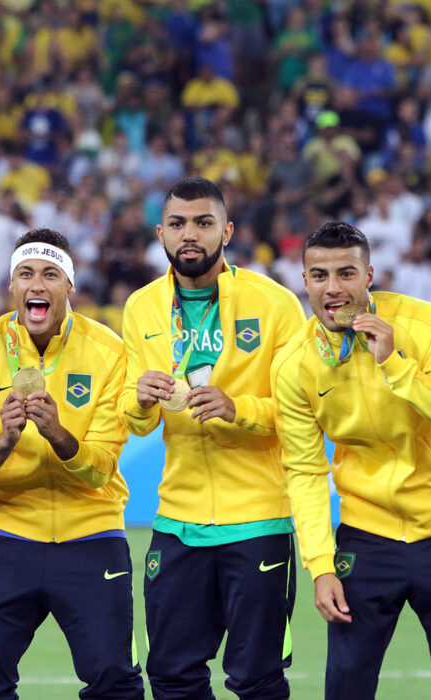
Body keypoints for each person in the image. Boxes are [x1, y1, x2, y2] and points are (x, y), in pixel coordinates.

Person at [272, 221, 431, 699]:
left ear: (370, 275)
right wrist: (321, 566)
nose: (334, 288)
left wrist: (393, 363)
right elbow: (305, 472)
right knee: (346, 685)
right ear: (304, 280)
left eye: (347, 273)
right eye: (320, 275)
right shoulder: (293, 364)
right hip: (367, 539)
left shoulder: (423, 322)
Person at [120, 177, 305, 699]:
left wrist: (237, 408)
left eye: (203, 222)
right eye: (177, 224)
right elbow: (134, 424)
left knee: (257, 679)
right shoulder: (141, 308)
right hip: (177, 522)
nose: (190, 234)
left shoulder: (275, 304)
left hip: (257, 520)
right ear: (161, 233)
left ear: (227, 229)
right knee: (172, 676)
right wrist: (140, 399)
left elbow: (303, 412)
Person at [0, 228, 144, 700]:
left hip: (92, 533)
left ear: (69, 286)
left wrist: (57, 434)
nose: (37, 285)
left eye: (51, 274)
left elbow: (100, 470)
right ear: (12, 286)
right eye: (26, 274)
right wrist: (4, 441)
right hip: (10, 533)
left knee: (115, 683)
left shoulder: (108, 351)